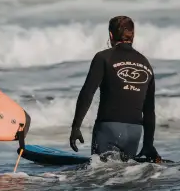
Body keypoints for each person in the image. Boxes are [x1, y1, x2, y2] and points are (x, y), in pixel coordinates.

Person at [69, 15, 161, 162]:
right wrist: (148, 143)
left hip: (108, 129)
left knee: (102, 177)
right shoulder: (146, 64)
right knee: (124, 178)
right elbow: (149, 110)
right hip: (134, 132)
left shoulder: (103, 57)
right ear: (133, 35)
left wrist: (76, 127)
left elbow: (87, 93)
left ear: (111, 35)